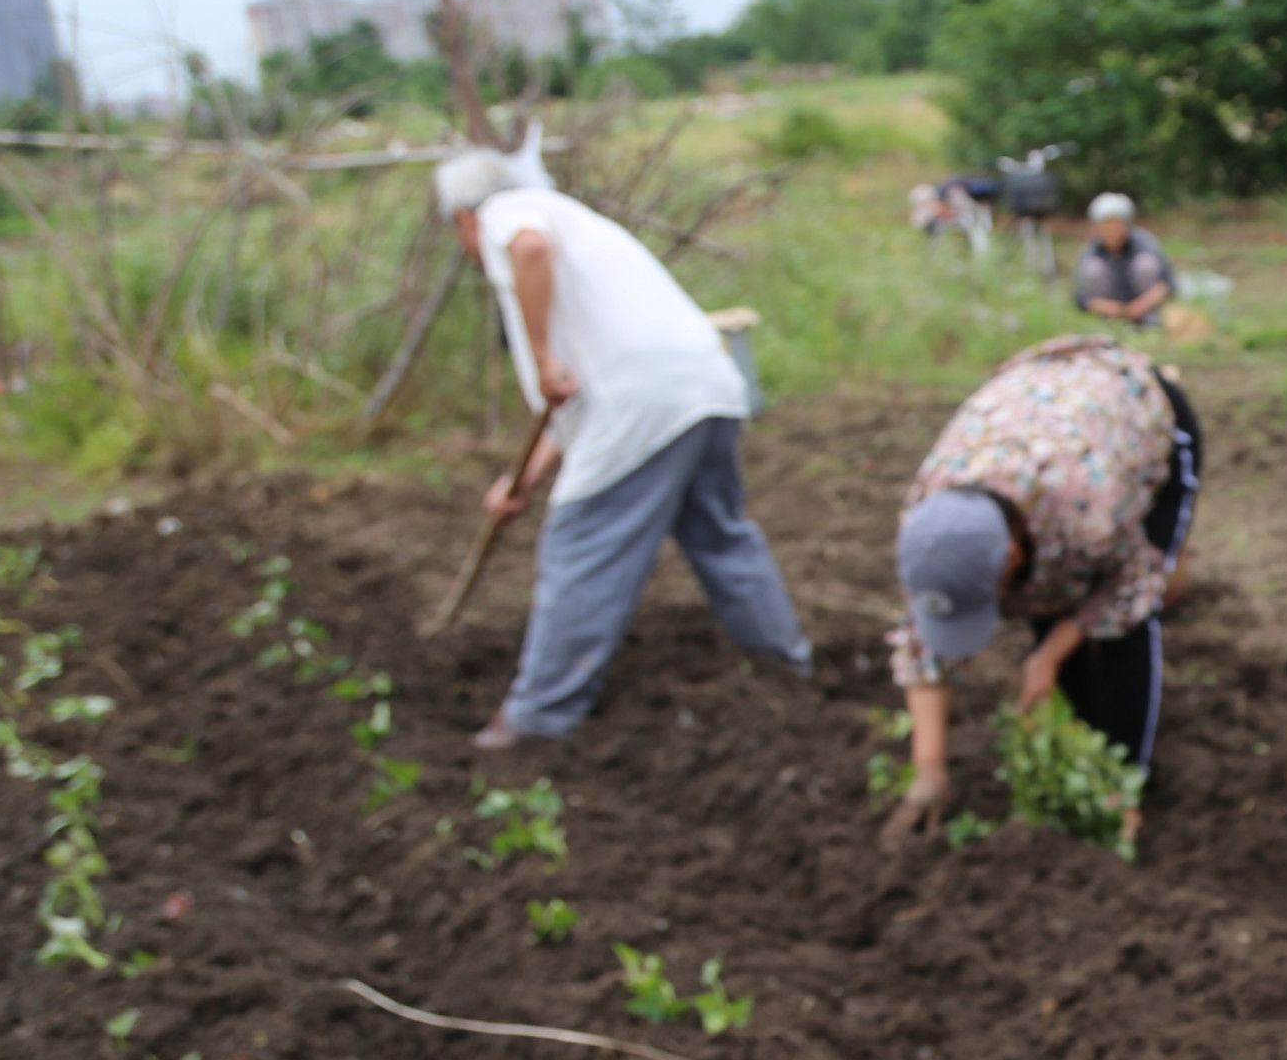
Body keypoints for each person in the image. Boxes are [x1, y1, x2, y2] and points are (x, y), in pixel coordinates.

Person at [434, 148, 811, 749]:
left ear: (463, 220)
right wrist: (522, 482)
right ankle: (786, 663)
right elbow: (563, 413)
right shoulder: (572, 219)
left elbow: (530, 252)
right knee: (720, 534)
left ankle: (538, 715)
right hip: (705, 384)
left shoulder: (511, 213)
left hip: (640, 404)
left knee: (582, 545)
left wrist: (538, 353)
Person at [882, 335, 1202, 848]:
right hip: (1038, 415)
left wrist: (1048, 657)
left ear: (1012, 555)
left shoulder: (1090, 510)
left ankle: (1124, 790)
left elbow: (1129, 590)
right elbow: (923, 641)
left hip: (1137, 412)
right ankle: (1075, 720)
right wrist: (929, 768)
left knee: (1124, 627)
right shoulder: (929, 527)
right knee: (1054, 601)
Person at [1071, 192, 1174, 325]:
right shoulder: (1091, 251)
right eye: (1105, 224)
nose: (1111, 230)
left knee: (1146, 264)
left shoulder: (1145, 243)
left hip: (1143, 306)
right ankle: (1106, 323)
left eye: (1115, 224)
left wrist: (1141, 305)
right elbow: (1080, 298)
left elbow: (1168, 284)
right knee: (1093, 268)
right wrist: (1107, 307)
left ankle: (1150, 319)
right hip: (1111, 311)